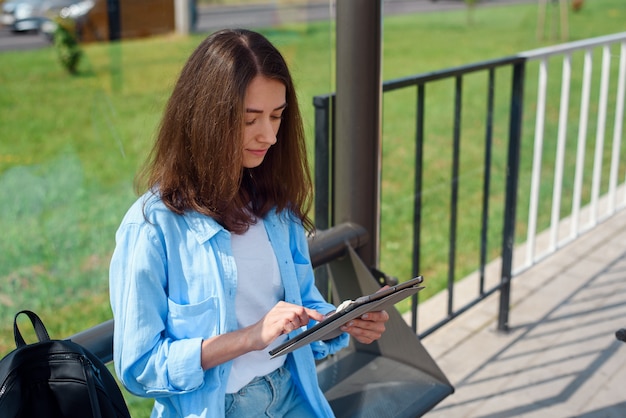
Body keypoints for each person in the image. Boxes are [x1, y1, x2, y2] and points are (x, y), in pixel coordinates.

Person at [109, 28, 390, 418]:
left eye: (277, 116)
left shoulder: (274, 208)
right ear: (206, 119)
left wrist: (339, 322)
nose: (270, 135)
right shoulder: (153, 227)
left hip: (293, 393)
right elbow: (139, 368)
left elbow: (302, 305)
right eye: (250, 119)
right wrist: (248, 338)